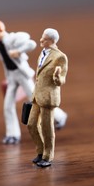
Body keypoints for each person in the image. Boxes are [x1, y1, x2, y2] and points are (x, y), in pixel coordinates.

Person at [0, 20, 68, 145]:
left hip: (22, 74)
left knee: (37, 99)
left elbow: (31, 44)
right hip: (12, 76)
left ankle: (60, 116)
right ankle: (13, 134)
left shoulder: (12, 38)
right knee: (8, 105)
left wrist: (18, 52)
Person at [27, 28, 68, 167]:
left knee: (47, 128)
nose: (40, 40)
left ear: (51, 41)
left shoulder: (60, 57)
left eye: (43, 39)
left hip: (49, 97)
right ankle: (40, 151)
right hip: (37, 95)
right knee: (31, 124)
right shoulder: (43, 53)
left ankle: (48, 156)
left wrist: (57, 77)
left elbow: (62, 80)